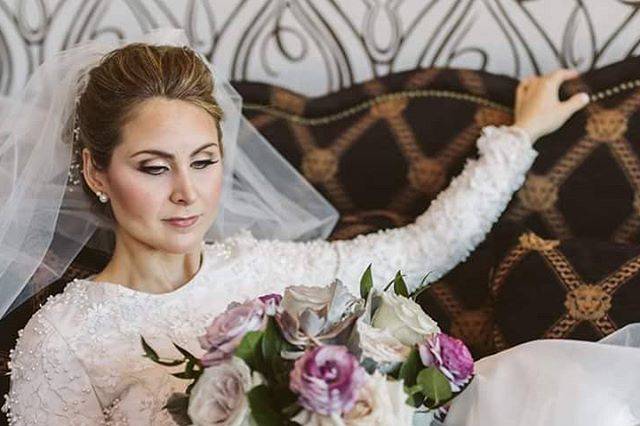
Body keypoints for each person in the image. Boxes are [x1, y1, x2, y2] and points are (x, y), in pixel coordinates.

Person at [0, 27, 588, 425]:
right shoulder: (63, 339)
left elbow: (427, 245)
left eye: (203, 162)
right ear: (96, 171)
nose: (186, 192)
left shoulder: (278, 269)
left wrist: (521, 135)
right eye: (154, 167)